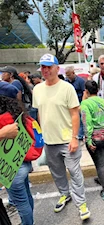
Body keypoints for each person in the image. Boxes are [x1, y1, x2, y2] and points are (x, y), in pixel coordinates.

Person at [32, 54, 90, 220]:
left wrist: (74, 138)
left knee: (74, 171)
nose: (46, 70)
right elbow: (40, 114)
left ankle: (81, 204)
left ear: (57, 68)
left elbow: (74, 114)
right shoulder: (37, 89)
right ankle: (65, 194)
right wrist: (41, 136)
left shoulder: (67, 88)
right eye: (43, 67)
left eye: (49, 66)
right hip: (49, 141)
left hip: (67, 140)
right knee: (57, 172)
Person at [0, 81, 34, 225]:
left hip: (11, 169)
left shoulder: (2, 119)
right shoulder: (17, 113)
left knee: (21, 203)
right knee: (26, 196)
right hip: (23, 162)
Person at [81, 80, 104, 201]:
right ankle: (101, 179)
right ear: (98, 90)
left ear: (87, 91)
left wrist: (88, 140)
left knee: (99, 164)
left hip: (96, 137)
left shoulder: (85, 104)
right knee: (101, 160)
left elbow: (86, 123)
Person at [65, 66, 86, 140]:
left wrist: (82, 103)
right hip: (69, 103)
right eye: (66, 75)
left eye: (69, 75)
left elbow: (84, 92)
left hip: (79, 102)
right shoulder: (66, 82)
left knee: (80, 119)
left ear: (73, 73)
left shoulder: (81, 81)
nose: (68, 77)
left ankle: (80, 135)